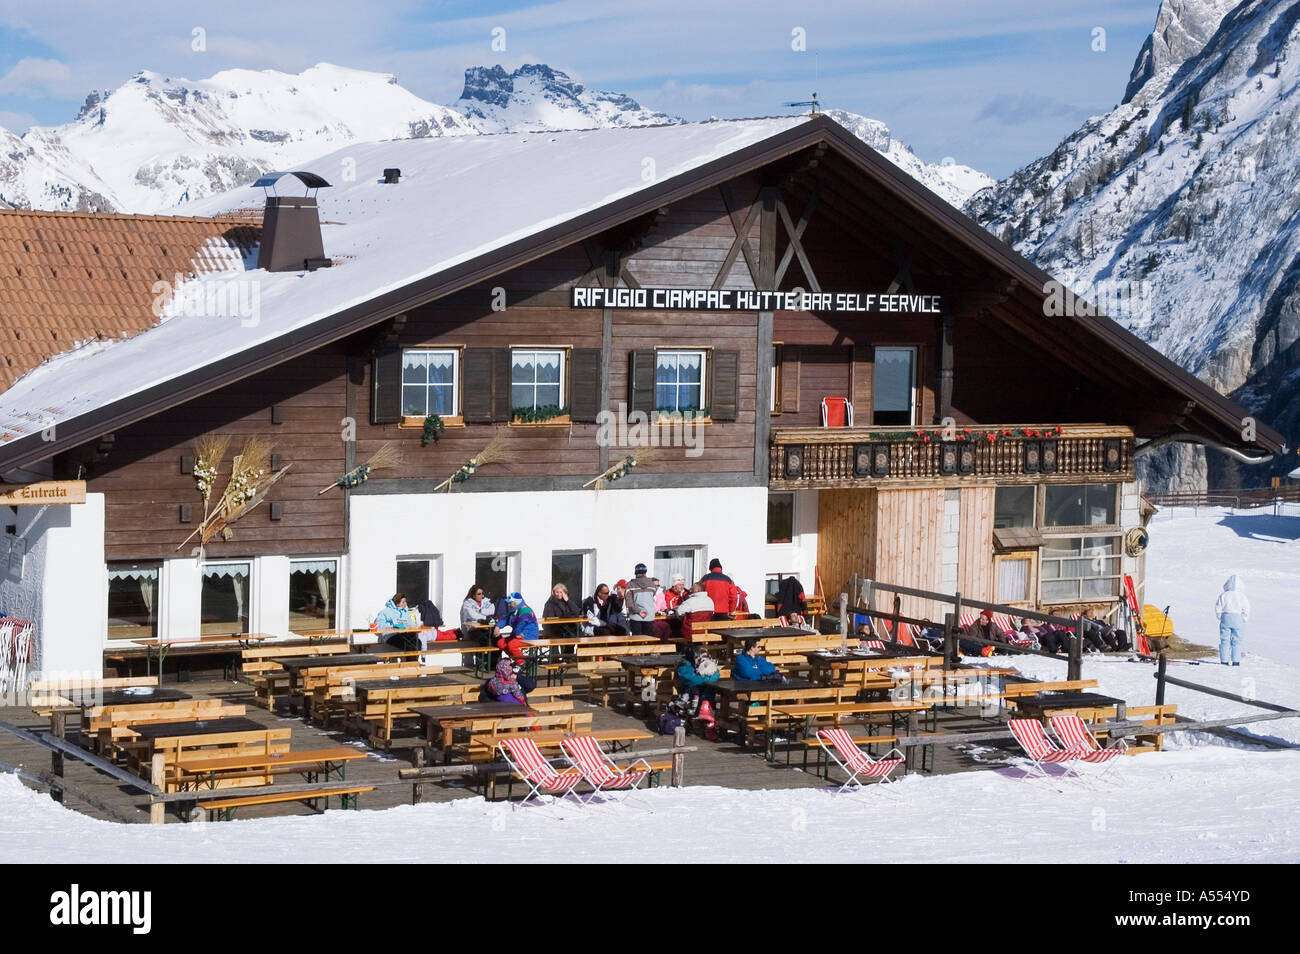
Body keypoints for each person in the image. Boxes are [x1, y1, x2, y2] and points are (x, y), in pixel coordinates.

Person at [677, 647, 720, 739]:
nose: (698, 660)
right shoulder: (684, 666)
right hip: (690, 693)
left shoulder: (704, 663)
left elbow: (716, 674)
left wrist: (706, 677)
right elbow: (691, 680)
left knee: (710, 689)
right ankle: (709, 724)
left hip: (703, 691)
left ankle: (708, 719)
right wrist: (707, 679)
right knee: (708, 691)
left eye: (699, 658)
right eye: (696, 657)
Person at [1215, 575, 1251, 666]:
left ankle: (1224, 660)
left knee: (1224, 640)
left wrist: (1219, 616)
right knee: (1237, 640)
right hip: (1238, 619)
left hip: (1225, 618)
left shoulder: (1224, 595)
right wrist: (1244, 618)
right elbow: (1246, 608)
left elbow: (1218, 606)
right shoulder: (1242, 596)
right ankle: (1236, 660)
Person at [624, 563, 658, 636]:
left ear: (635, 572)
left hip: (636, 617)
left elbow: (629, 603)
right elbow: (653, 596)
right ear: (645, 572)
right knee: (648, 641)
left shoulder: (630, 585)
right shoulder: (652, 584)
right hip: (649, 616)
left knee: (637, 641)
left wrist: (639, 611)